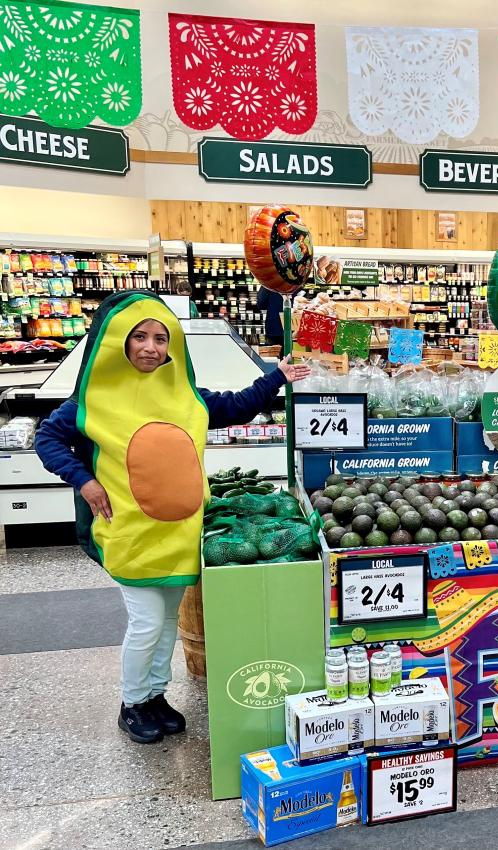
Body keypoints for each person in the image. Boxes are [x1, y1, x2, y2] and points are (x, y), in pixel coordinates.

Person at [35, 291, 309, 745]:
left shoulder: (184, 394)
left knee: (164, 623)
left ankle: (154, 696)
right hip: (130, 534)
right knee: (146, 622)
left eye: (161, 338)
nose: (150, 347)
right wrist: (84, 480)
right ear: (119, 341)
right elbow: (47, 438)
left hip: (179, 533)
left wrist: (276, 376)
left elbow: (236, 406)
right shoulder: (93, 399)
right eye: (139, 336)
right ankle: (132, 703)